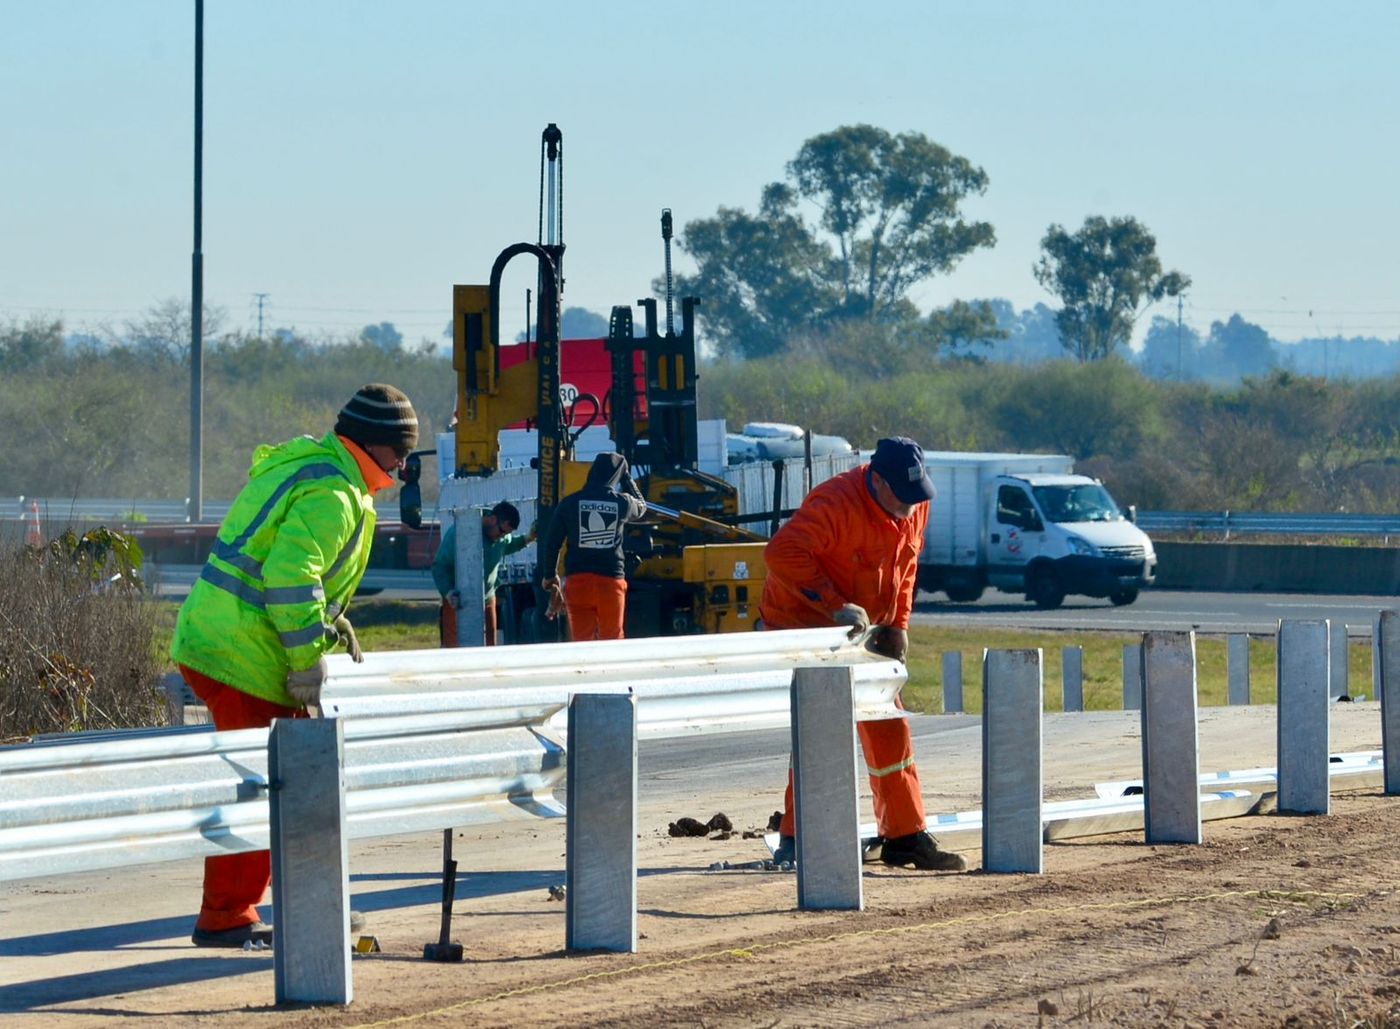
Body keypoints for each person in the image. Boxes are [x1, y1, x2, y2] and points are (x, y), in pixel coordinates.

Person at [170, 383, 419, 946]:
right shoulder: (334, 493)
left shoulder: (319, 469)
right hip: (242, 657)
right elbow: (289, 578)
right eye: (399, 451)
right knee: (270, 786)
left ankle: (306, 900)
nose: (404, 465)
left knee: (286, 781)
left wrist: (325, 624)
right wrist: (308, 661)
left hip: (226, 646)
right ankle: (228, 916)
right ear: (372, 443)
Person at [761, 436, 966, 872]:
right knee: (822, 727)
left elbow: (907, 567)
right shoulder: (835, 503)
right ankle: (800, 837)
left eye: (917, 495)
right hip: (806, 623)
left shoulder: (914, 503)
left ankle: (904, 836)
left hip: (866, 628)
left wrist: (899, 624)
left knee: (889, 724)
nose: (911, 505)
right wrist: (833, 603)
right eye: (903, 496)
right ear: (878, 481)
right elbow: (780, 553)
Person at [539, 452, 647, 641]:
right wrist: (627, 477)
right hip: (610, 582)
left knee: (582, 643)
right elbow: (642, 506)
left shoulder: (569, 503)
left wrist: (550, 575)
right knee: (612, 640)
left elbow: (552, 543)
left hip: (578, 583)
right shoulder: (622, 502)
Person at [432, 501, 535, 646]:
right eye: (501, 532)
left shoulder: (501, 537)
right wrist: (448, 592)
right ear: (492, 519)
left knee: (490, 643)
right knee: (454, 645)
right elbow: (439, 566)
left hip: (487, 598)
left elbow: (508, 545)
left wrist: (528, 538)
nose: (502, 537)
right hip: (457, 600)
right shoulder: (459, 534)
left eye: (506, 534)